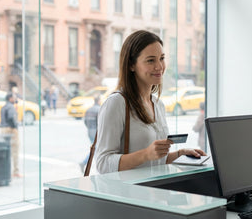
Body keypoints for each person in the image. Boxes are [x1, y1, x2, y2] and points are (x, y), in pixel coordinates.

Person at [95, 30, 206, 174]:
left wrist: (180, 154)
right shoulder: (117, 103)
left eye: (162, 58)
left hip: (154, 193)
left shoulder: (158, 104)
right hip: (126, 194)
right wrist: (145, 154)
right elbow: (103, 164)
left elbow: (154, 162)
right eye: (151, 60)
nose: (159, 66)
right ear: (131, 65)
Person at [0, 93, 21, 178]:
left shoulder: (4, 107)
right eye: (14, 97)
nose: (16, 98)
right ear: (10, 98)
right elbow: (11, 118)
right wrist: (15, 127)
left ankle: (5, 171)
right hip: (11, 130)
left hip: (3, 129)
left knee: (6, 151)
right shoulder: (11, 107)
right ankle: (15, 172)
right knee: (15, 150)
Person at [79, 96, 101, 173]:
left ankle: (86, 163)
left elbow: (85, 121)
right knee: (95, 150)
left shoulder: (88, 110)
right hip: (96, 133)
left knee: (95, 149)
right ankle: (85, 163)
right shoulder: (99, 109)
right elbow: (101, 123)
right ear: (98, 101)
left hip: (89, 131)